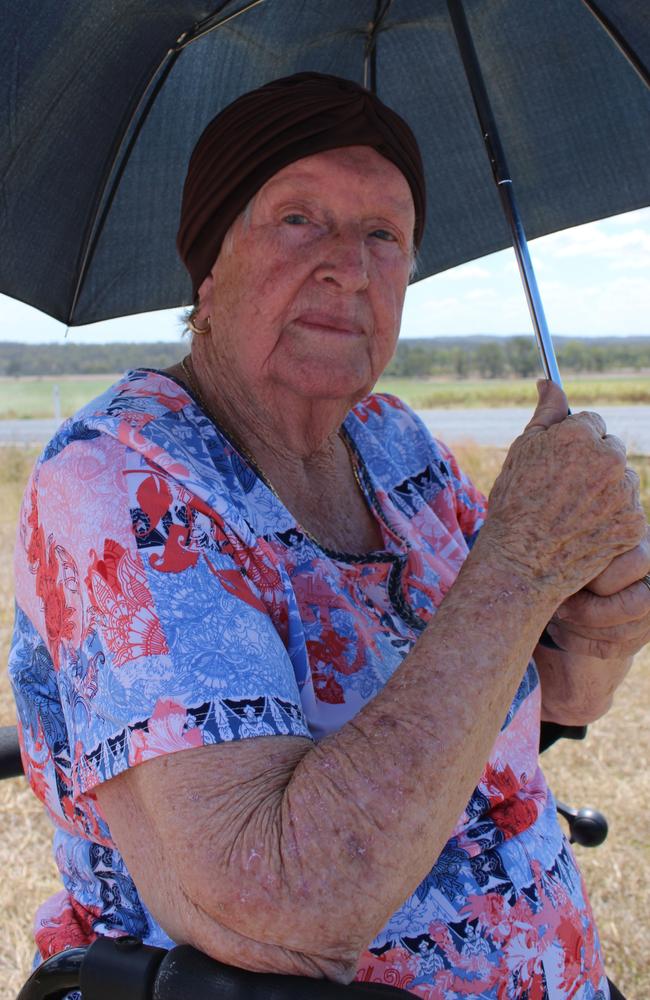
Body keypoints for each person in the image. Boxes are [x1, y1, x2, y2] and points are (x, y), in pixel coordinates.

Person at [9, 73, 650, 999]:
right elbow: (274, 908)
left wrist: (594, 624)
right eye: (299, 218)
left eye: (384, 234)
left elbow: (545, 699)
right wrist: (519, 563)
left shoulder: (396, 446)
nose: (350, 265)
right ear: (208, 262)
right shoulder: (125, 482)